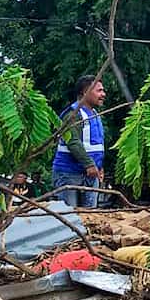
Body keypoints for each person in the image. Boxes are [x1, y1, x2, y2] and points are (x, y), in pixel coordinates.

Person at [51, 75, 106, 208]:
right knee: (70, 216)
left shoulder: (94, 114)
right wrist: (89, 164)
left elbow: (96, 145)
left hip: (91, 174)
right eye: (99, 91)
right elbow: (73, 142)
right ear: (84, 92)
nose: (103, 94)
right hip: (69, 173)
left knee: (90, 217)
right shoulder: (73, 114)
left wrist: (99, 166)